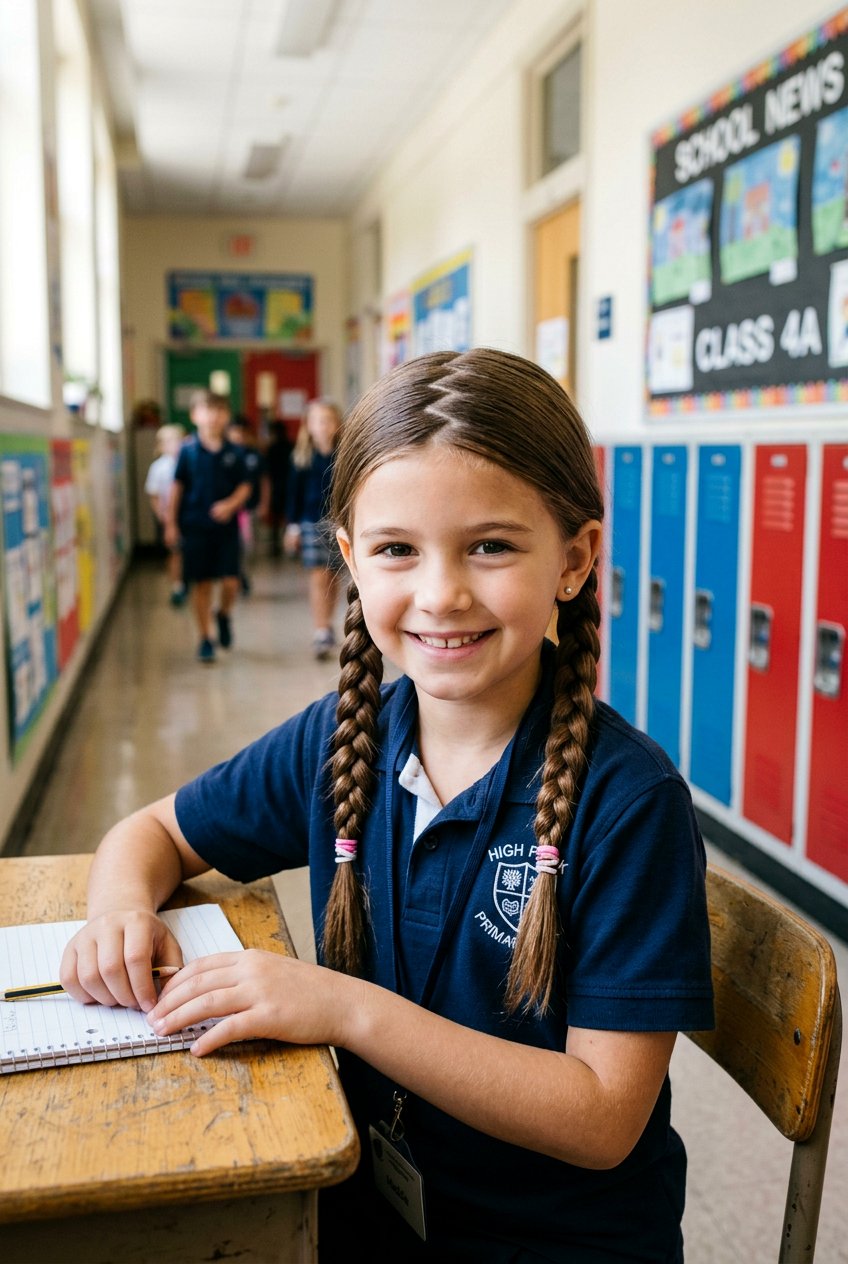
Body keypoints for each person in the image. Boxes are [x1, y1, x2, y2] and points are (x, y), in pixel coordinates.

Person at [60, 349, 713, 1262]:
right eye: (397, 549)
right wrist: (117, 912)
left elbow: (603, 1116)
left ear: (573, 559)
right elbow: (154, 832)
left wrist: (343, 1008)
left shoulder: (629, 803)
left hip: (549, 1244)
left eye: (490, 545)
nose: (441, 593)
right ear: (350, 563)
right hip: (368, 1204)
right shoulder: (343, 738)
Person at [166, 389, 252, 664]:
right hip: (195, 525)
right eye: (207, 410)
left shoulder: (235, 452)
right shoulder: (188, 452)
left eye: (219, 410)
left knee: (230, 581)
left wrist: (230, 505)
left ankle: (223, 614)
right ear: (195, 415)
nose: (213, 416)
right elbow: (177, 488)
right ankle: (205, 638)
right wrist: (170, 523)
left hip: (225, 528)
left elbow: (245, 486)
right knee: (201, 584)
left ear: (226, 416)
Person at [285, 398, 345, 659]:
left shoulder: (344, 455)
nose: (323, 426)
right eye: (318, 421)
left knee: (332, 577)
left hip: (339, 522)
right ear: (308, 426)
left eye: (328, 420)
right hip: (310, 522)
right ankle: (320, 629)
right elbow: (292, 496)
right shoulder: (301, 458)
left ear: (337, 424)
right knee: (319, 576)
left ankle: (328, 624)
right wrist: (292, 527)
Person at [226, 414, 269, 596]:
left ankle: (243, 573)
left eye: (242, 432)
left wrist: (264, 503)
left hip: (250, 508)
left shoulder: (254, 455)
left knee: (249, 546)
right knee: (232, 546)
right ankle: (234, 575)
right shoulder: (226, 454)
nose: (239, 436)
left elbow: (264, 481)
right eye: (235, 432)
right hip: (230, 510)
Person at [144, 423, 186, 606]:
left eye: (176, 440)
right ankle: (177, 586)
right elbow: (153, 495)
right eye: (168, 442)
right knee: (175, 551)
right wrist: (162, 516)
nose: (173, 445)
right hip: (169, 517)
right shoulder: (158, 467)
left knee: (189, 552)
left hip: (187, 514)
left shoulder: (188, 462)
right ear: (161, 445)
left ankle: (188, 581)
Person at [264, 419, 294, 558]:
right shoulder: (291, 446)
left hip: (276, 486)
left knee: (276, 519)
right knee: (287, 516)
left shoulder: (271, 448)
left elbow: (268, 471)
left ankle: (276, 547)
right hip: (288, 485)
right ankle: (289, 545)